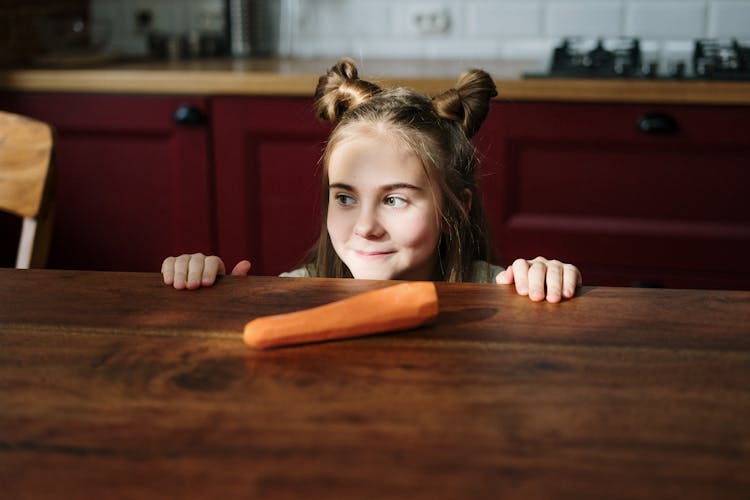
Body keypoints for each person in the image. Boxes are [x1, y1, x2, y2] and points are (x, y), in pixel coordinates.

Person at [162, 58, 582, 303]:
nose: (365, 227)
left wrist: (547, 281)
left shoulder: (496, 293)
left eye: (395, 199)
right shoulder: (293, 296)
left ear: (459, 205)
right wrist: (211, 293)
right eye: (345, 198)